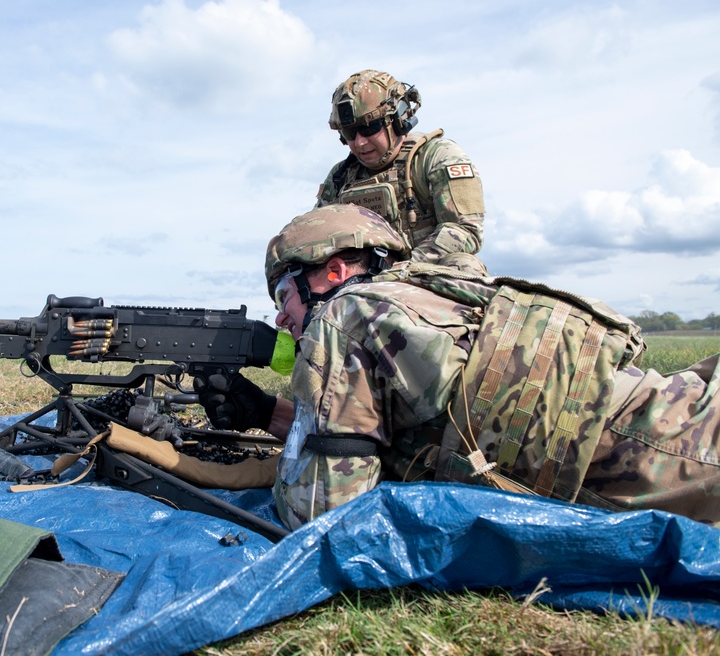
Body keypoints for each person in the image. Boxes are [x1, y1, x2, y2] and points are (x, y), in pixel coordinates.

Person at [196, 203, 720, 530]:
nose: (281, 316)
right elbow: (424, 428)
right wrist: (271, 413)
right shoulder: (425, 295)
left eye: (285, 293)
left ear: (332, 272)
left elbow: (321, 511)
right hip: (671, 410)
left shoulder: (343, 316)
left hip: (672, 455)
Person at [315, 70, 487, 274]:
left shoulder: (435, 157)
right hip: (360, 287)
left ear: (396, 121)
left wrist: (402, 271)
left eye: (370, 128)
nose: (359, 142)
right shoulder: (340, 177)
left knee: (464, 265)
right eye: (350, 133)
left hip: (426, 278)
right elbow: (316, 239)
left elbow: (465, 229)